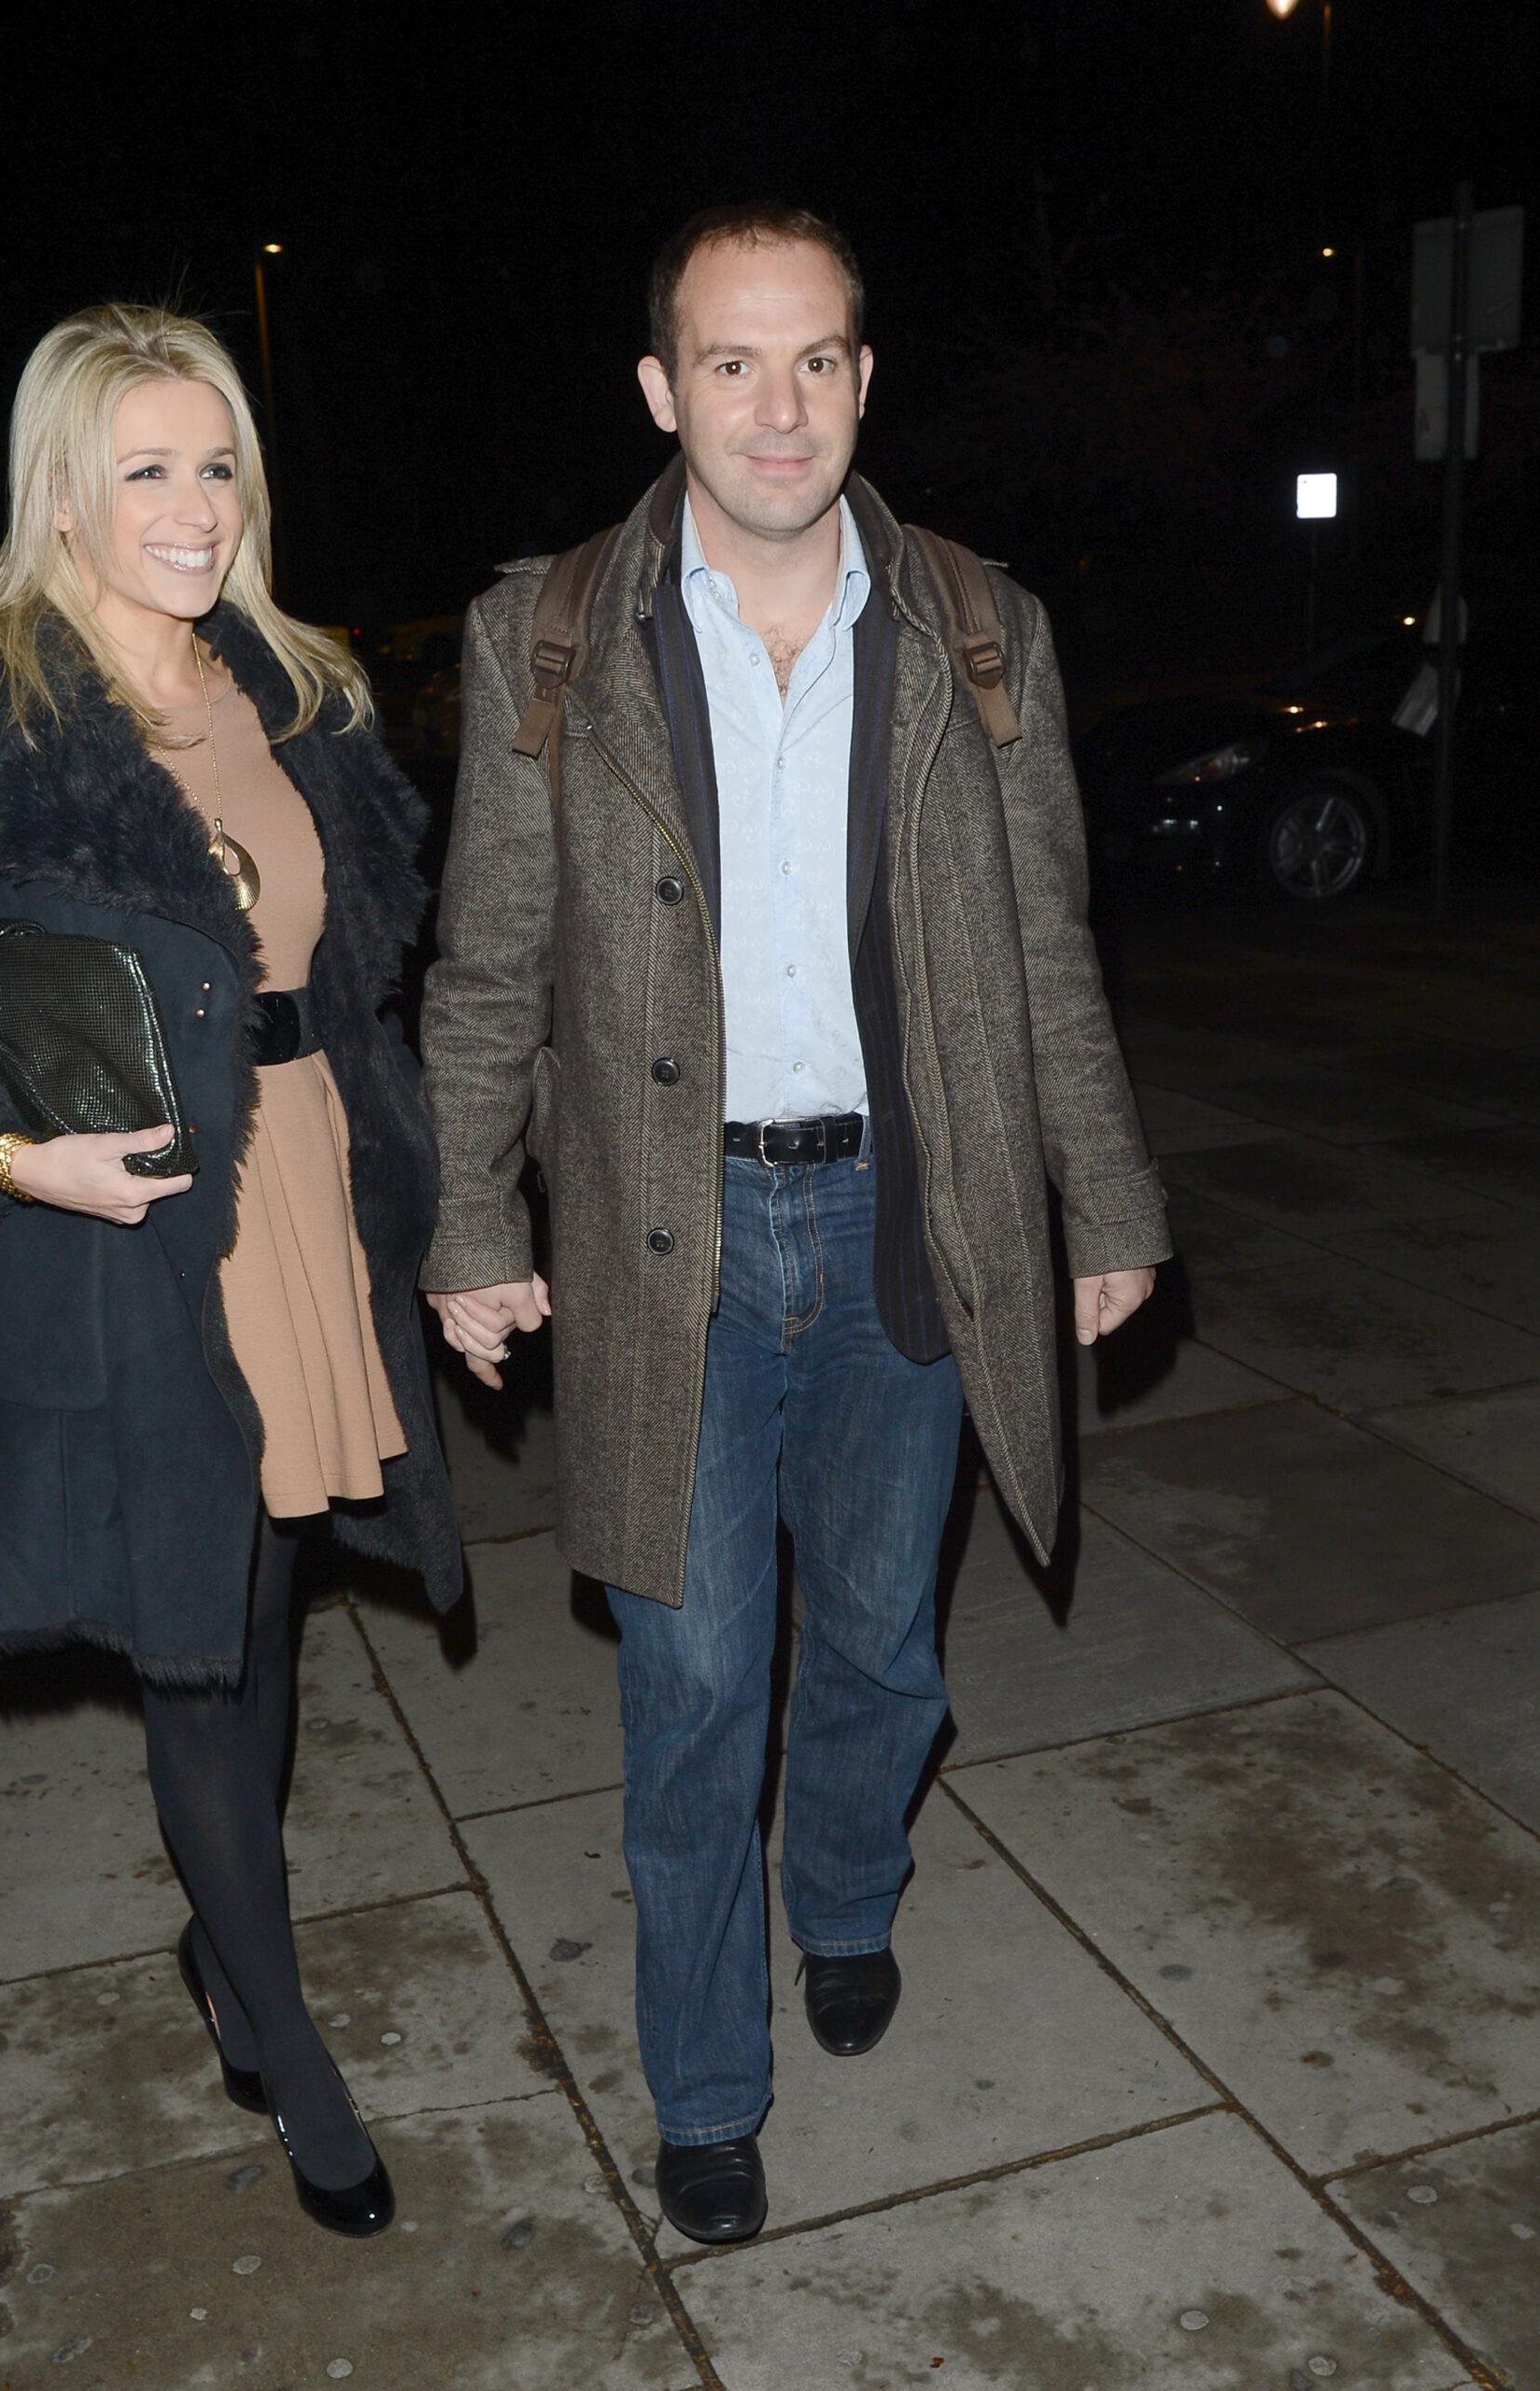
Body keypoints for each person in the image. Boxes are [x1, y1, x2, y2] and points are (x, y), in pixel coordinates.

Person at [418, 205, 1170, 2245]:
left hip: (909, 1228)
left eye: (817, 358)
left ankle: (844, 1889)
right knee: (689, 1688)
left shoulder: (974, 623)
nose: (778, 405)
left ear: (863, 377)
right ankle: (708, 2083)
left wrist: (1102, 1194)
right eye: (730, 365)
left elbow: (1045, 953)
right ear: (662, 390)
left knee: (881, 1647)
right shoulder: (544, 636)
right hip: (670, 1240)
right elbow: (485, 963)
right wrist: (470, 1212)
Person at [0, 304, 459, 2235]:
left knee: (262, 1616)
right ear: (63, 494)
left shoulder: (285, 678)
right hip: (137, 1221)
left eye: (217, 459)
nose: (191, 504)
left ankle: (220, 1951)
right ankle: (286, 2041)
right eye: (144, 468)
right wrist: (4, 1154)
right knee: (195, 1634)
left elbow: (344, 967)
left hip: (305, 1184)